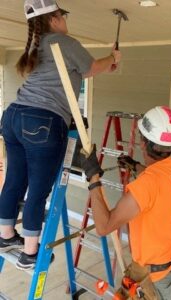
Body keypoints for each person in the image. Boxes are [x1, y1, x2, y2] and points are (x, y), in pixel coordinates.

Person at [0, 0, 121, 271]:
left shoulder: (36, 44)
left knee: (14, 181)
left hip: (13, 116)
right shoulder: (63, 42)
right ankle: (30, 254)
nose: (65, 21)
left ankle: (5, 236)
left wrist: (106, 65)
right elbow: (89, 68)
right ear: (53, 19)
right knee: (38, 191)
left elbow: (82, 71)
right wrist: (112, 59)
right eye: (62, 16)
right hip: (42, 121)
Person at [80, 106, 171, 300]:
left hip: (152, 278)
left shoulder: (146, 184)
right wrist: (134, 165)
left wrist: (93, 178)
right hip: (167, 266)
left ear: (143, 142)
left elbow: (104, 227)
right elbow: (157, 180)